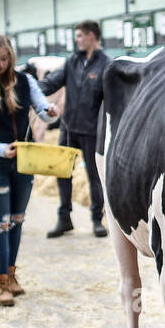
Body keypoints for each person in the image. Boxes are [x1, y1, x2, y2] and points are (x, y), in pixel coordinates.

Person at [0, 35, 60, 306]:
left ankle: (12, 273)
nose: (3, 64)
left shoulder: (25, 81)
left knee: (18, 219)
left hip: (24, 160)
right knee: (1, 223)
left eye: (6, 59)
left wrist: (51, 111)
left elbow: (42, 109)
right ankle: (1, 283)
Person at [42, 19, 109, 239]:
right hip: (69, 128)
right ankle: (65, 218)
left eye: (80, 35)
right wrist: (28, 87)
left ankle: (97, 219)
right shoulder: (72, 61)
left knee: (94, 176)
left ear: (91, 36)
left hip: (92, 130)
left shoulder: (106, 64)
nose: (77, 40)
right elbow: (52, 82)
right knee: (62, 173)